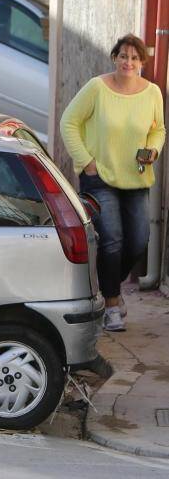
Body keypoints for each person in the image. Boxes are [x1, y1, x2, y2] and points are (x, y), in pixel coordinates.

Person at [60, 34, 166, 332]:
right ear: (114, 58)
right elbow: (69, 121)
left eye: (134, 58)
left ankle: (105, 286)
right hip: (100, 177)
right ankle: (111, 304)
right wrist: (86, 161)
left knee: (138, 240)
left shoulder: (153, 93)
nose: (128, 62)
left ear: (142, 62)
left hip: (136, 177)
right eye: (123, 56)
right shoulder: (97, 88)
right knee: (112, 240)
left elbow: (158, 130)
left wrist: (153, 150)